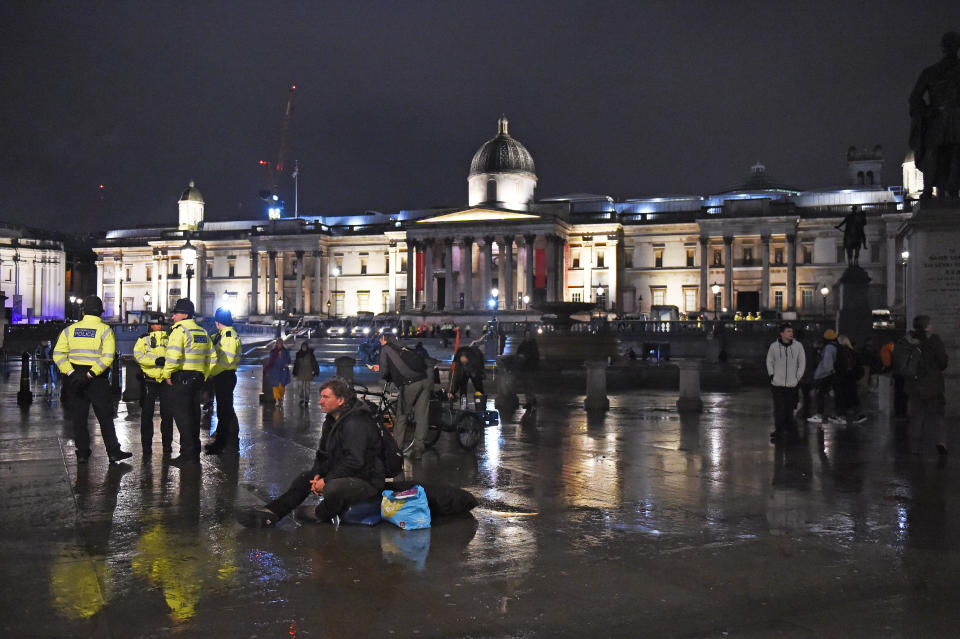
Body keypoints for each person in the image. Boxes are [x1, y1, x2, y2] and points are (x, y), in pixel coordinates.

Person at [237, 378, 385, 527]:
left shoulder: (356, 422)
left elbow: (355, 461)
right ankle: (272, 512)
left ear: (340, 400)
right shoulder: (332, 420)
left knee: (332, 487)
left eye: (326, 397)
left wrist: (326, 480)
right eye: (321, 397)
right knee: (305, 478)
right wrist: (317, 475)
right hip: (348, 474)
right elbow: (323, 454)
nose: (320, 401)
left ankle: (320, 514)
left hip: (367, 480)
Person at [52, 295, 132, 464]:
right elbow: (108, 357)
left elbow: (58, 354)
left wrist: (71, 373)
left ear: (83, 312)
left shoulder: (70, 330)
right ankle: (113, 452)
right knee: (105, 417)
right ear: (100, 313)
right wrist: (91, 374)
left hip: (74, 378)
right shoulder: (105, 330)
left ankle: (82, 453)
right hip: (97, 380)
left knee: (79, 418)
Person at [161, 298, 213, 466]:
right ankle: (194, 452)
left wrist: (167, 374)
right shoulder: (202, 332)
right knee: (194, 415)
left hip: (181, 378)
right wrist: (204, 374)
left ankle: (187, 455)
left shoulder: (179, 331)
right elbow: (213, 357)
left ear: (184, 315)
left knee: (183, 418)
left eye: (175, 313)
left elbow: (174, 355)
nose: (173, 317)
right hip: (197, 379)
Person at [909, 32, 960, 200]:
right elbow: (915, 98)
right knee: (946, 153)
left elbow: (915, 99)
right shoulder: (931, 72)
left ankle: (929, 190)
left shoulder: (930, 71)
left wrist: (926, 112)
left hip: (938, 118)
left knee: (935, 153)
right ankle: (943, 191)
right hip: (947, 118)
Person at [372, 334, 430, 456]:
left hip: (410, 383)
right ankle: (419, 449)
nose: (379, 340)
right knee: (422, 416)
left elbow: (384, 372)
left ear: (385, 339)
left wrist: (378, 369)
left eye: (381, 338)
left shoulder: (386, 348)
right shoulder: (403, 347)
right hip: (425, 379)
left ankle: (397, 449)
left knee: (401, 416)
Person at [902, 315, 949, 455]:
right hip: (932, 385)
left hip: (914, 385)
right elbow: (943, 362)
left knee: (917, 416)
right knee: (937, 415)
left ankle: (915, 447)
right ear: (927, 326)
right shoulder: (934, 340)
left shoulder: (908, 340)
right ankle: (941, 442)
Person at [133, 312, 174, 456]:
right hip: (149, 381)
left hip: (165, 380)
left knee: (168, 416)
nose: (160, 326)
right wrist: (155, 361)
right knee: (146, 416)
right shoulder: (143, 339)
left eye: (162, 324)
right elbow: (138, 356)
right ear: (151, 325)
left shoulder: (170, 338)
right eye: (158, 324)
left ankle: (167, 446)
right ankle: (146, 447)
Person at [204, 308, 242, 454]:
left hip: (224, 375)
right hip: (223, 375)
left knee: (225, 411)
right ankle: (223, 441)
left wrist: (211, 372)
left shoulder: (228, 336)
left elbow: (226, 360)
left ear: (218, 322)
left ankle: (225, 442)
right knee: (224, 410)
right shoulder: (222, 335)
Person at [765, 322, 805, 440]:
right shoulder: (774, 346)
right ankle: (779, 430)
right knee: (778, 407)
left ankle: (789, 428)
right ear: (781, 333)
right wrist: (772, 375)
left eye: (791, 331)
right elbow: (769, 361)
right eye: (788, 331)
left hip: (792, 383)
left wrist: (797, 377)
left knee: (789, 407)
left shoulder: (798, 346)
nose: (791, 333)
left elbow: (802, 362)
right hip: (777, 383)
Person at [808, 329, 844, 425]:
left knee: (820, 394)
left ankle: (819, 415)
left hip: (827, 375)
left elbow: (827, 363)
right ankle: (838, 416)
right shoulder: (837, 346)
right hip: (835, 374)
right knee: (836, 395)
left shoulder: (828, 348)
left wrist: (828, 372)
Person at [264, 339, 292, 407]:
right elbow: (271, 361)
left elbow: (289, 359)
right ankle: (277, 400)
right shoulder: (273, 352)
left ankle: (281, 397)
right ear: (276, 344)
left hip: (283, 370)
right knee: (275, 386)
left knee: (282, 386)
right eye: (279, 343)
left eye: (281, 343)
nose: (280, 344)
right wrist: (268, 370)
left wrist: (287, 363)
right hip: (275, 370)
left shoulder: (285, 351)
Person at [292, 341, 319, 406]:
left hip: (308, 372)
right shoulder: (298, 354)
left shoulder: (311, 355)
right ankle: (301, 399)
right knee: (300, 386)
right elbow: (296, 364)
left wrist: (315, 371)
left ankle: (306, 400)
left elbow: (314, 364)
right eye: (302, 347)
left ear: (307, 347)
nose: (304, 348)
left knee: (307, 387)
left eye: (305, 347)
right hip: (300, 372)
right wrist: (294, 372)